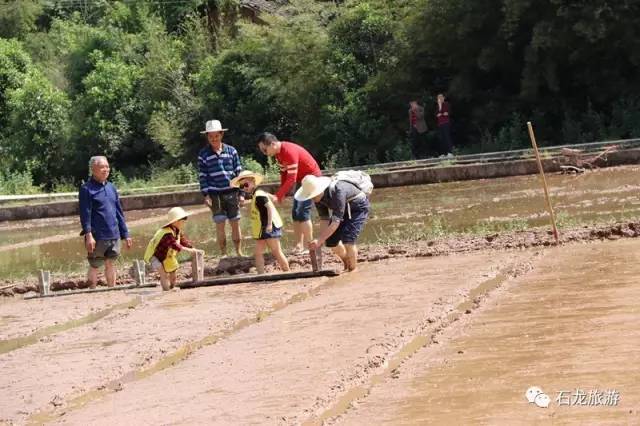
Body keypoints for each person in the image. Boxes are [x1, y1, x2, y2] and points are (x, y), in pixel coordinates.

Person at [256, 132, 322, 253]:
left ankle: (310, 246)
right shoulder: (278, 154)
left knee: (303, 213)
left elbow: (291, 178)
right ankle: (299, 245)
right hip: (301, 180)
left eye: (265, 150)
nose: (264, 153)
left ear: (272, 144)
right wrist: (282, 194)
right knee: (296, 213)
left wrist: (278, 195)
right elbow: (284, 174)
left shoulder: (288, 151)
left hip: (312, 180)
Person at [296, 175, 370, 272]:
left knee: (348, 240)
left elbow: (335, 222)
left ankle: (353, 270)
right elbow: (324, 219)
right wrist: (321, 239)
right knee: (331, 242)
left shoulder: (338, 192)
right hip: (341, 211)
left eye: (313, 195)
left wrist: (320, 240)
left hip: (357, 207)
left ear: (320, 190)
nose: (312, 198)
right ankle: (346, 262)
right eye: (310, 196)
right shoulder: (318, 199)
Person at [79, 156, 132, 288]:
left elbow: (119, 212)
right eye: (102, 167)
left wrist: (125, 234)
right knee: (95, 265)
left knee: (110, 263)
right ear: (93, 169)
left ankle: (111, 290)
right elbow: (85, 214)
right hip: (98, 236)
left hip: (114, 234)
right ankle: (92, 291)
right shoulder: (86, 189)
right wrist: (88, 235)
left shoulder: (111, 187)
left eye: (107, 166)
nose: (106, 169)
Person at [198, 119, 244, 257]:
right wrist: (206, 195)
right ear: (207, 137)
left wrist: (241, 194)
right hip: (215, 194)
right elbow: (202, 176)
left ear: (221, 134)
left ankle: (238, 251)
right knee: (220, 224)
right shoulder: (203, 154)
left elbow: (239, 173)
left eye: (216, 136)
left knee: (235, 222)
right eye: (211, 136)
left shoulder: (232, 151)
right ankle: (223, 253)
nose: (214, 139)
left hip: (232, 192)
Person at [231, 170, 289, 275]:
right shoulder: (256, 195)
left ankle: (287, 272)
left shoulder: (259, 195)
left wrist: (269, 224)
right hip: (262, 229)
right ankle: (261, 274)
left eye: (246, 184)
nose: (244, 188)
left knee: (276, 251)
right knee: (258, 253)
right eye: (241, 186)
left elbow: (269, 208)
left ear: (253, 182)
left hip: (268, 227)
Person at [144, 207, 204, 291]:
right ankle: (166, 291)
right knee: (164, 274)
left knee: (173, 272)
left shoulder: (177, 230)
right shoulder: (166, 234)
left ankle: (172, 287)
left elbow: (183, 241)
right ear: (175, 221)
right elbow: (174, 245)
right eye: (182, 221)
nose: (183, 223)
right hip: (155, 256)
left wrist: (192, 248)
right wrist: (189, 250)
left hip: (167, 256)